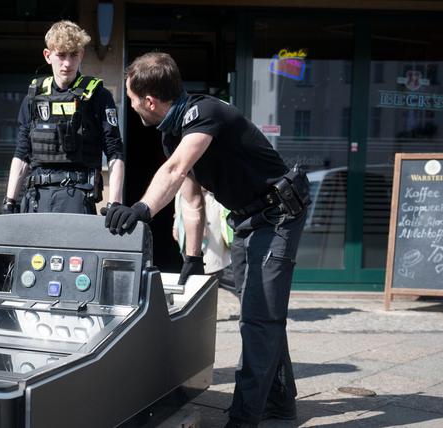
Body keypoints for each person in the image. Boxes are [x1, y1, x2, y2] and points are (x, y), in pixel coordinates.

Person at [104, 52, 310, 428]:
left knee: (258, 318)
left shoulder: (205, 113)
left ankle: (244, 419)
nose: (133, 108)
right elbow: (193, 199)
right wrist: (192, 256)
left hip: (280, 213)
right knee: (261, 314)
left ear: (149, 101)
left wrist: (140, 209)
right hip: (249, 219)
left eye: (133, 101)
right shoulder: (172, 134)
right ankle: (280, 403)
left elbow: (176, 169)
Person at [1, 20, 124, 214]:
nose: (67, 63)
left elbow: (115, 151)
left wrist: (114, 203)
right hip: (36, 199)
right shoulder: (33, 98)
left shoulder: (98, 96)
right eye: (61, 55)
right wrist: (9, 202)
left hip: (78, 198)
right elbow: (22, 154)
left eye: (74, 55)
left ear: (81, 55)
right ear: (48, 56)